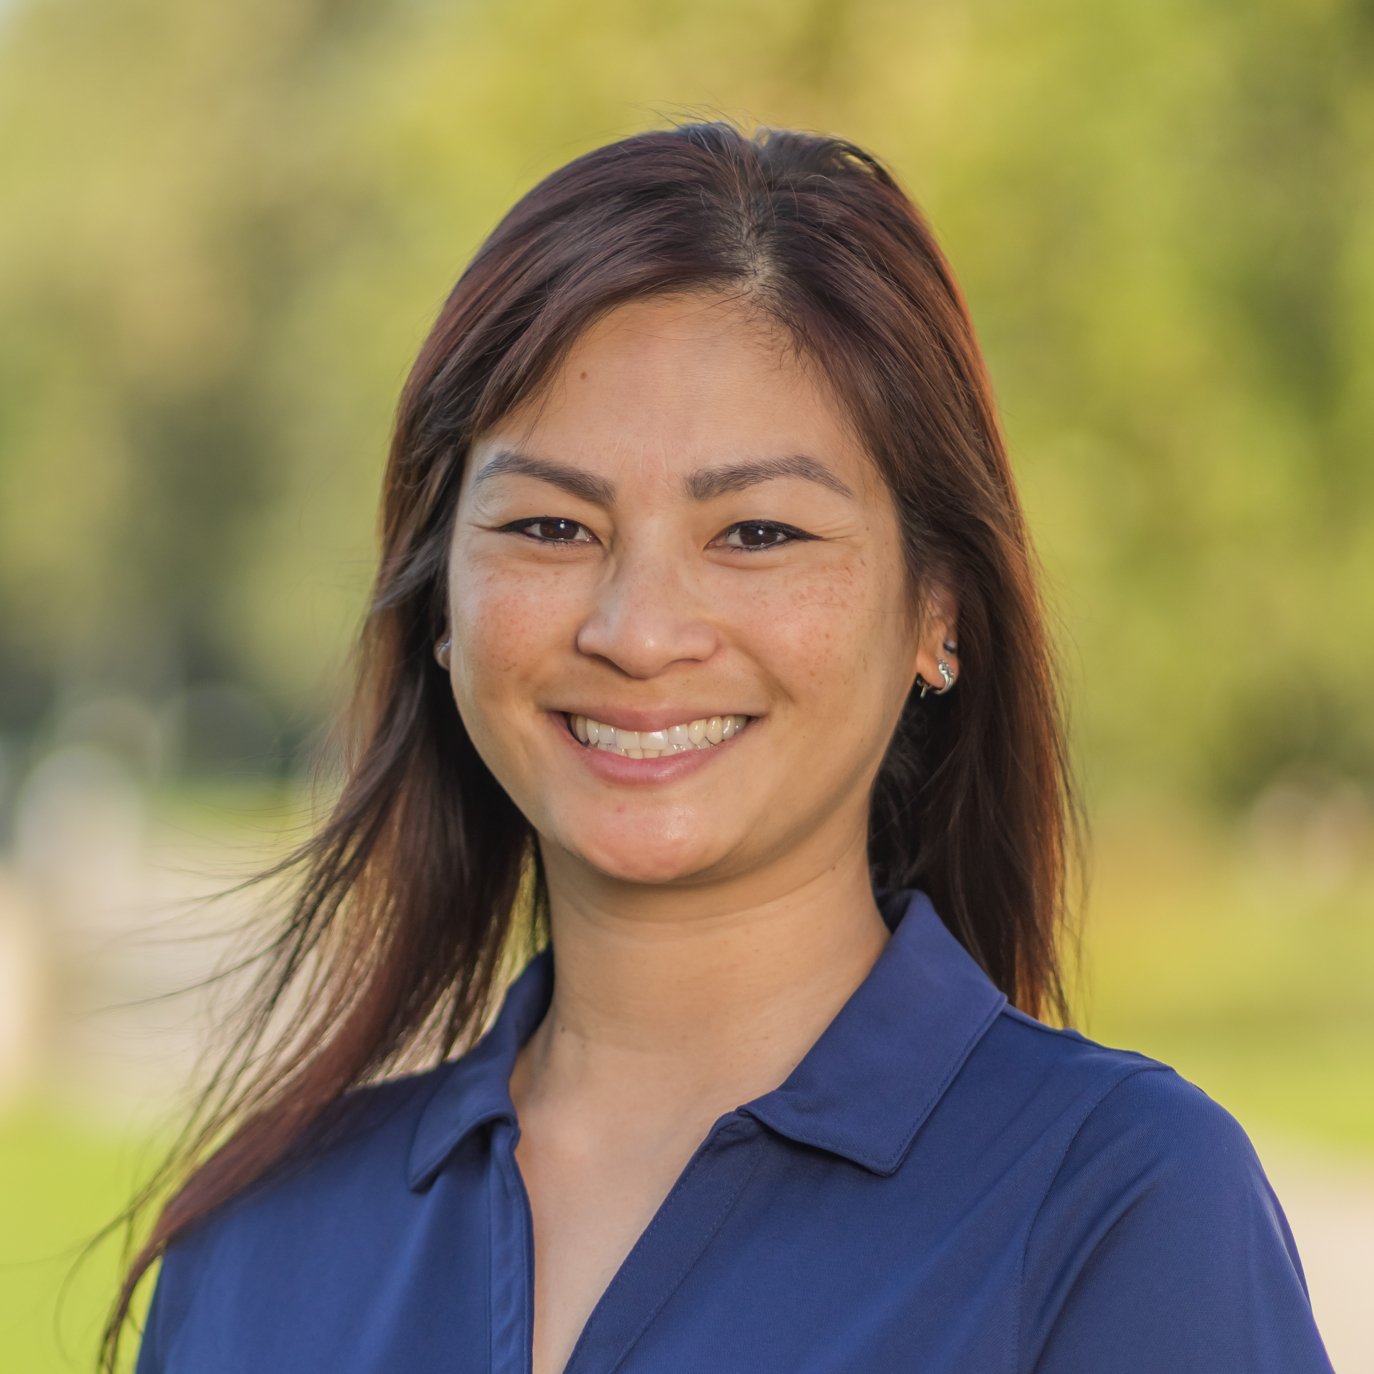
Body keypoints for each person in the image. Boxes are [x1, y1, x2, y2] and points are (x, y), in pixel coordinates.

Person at [109, 119, 1334, 1373]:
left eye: (757, 534)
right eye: (550, 527)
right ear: (440, 603)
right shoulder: (260, 1247)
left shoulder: (1115, 1208)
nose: (639, 633)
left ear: (939, 610)